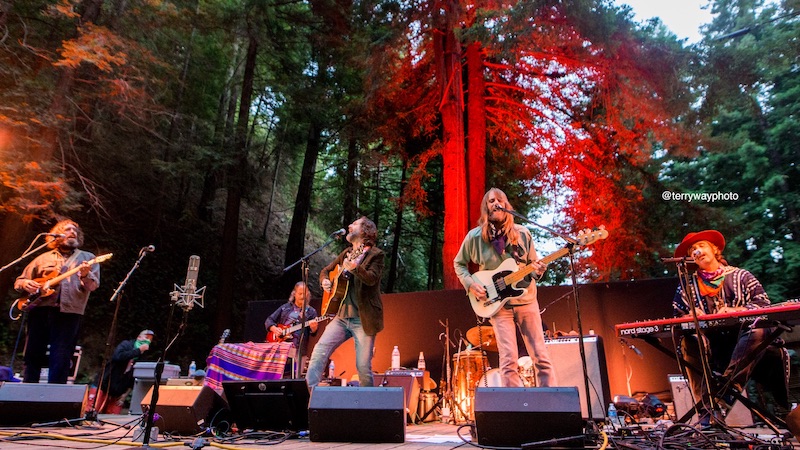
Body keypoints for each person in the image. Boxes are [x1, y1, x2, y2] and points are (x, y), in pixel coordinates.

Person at [671, 229, 781, 421]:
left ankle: (727, 390)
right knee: (689, 341)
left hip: (744, 344)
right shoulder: (686, 286)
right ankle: (707, 414)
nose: (697, 250)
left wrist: (739, 311)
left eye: (701, 245)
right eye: (692, 249)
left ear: (714, 249)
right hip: (710, 347)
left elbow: (764, 305)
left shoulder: (742, 276)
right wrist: (689, 315)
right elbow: (676, 316)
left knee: (758, 331)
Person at [453, 188, 557, 388]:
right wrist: (471, 284)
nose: (495, 203)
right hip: (498, 305)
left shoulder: (522, 233)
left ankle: (549, 403)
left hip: (526, 300)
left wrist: (538, 270)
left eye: (499, 200)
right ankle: (515, 410)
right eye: (491, 201)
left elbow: (533, 267)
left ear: (507, 205)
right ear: (486, 207)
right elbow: (459, 263)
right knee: (508, 360)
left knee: (540, 356)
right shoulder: (475, 237)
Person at [14, 219, 100, 383]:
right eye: (67, 230)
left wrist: (85, 274)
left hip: (69, 313)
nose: (72, 232)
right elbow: (20, 281)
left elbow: (93, 286)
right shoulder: (42, 258)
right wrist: (27, 284)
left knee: (61, 356)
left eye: (75, 230)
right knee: (32, 353)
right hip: (40, 309)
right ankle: (27, 394)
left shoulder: (88, 258)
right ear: (57, 235)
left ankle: (54, 400)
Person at [306, 216, 384, 388]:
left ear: (365, 231)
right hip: (340, 318)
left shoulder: (376, 255)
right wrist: (325, 281)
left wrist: (355, 268)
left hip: (363, 320)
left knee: (363, 367)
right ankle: (310, 396)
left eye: (354, 224)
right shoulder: (346, 253)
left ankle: (368, 409)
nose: (349, 226)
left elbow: (372, 279)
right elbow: (326, 271)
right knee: (319, 352)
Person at [91, 330, 154, 414]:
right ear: (139, 337)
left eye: (150, 339)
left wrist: (125, 395)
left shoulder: (143, 356)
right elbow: (117, 357)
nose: (148, 340)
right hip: (104, 384)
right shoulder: (126, 345)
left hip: (119, 390)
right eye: (146, 337)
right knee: (92, 410)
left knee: (113, 415)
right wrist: (138, 351)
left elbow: (135, 378)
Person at [265, 281, 319, 376]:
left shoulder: (311, 311)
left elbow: (313, 333)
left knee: (296, 378)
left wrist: (314, 328)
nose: (303, 296)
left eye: (305, 293)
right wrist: (274, 329)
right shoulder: (285, 308)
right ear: (294, 294)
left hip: (299, 350)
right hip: (282, 347)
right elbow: (269, 320)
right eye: (300, 293)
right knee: (279, 376)